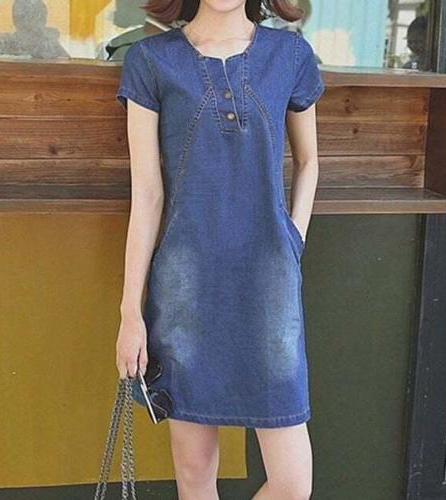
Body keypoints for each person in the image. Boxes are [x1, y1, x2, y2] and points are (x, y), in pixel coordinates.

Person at [115, 0, 325, 497]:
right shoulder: (151, 60)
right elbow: (147, 193)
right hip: (186, 287)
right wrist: (130, 312)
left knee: (293, 484)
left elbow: (309, 162)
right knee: (194, 475)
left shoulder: (290, 55)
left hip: (268, 284)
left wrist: (292, 238)